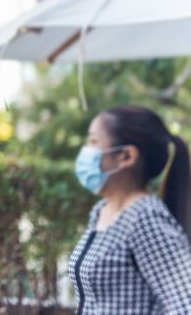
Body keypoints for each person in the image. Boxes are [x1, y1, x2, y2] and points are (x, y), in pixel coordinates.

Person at [70, 104, 191, 315]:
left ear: (126, 156)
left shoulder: (145, 217)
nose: (86, 151)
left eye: (93, 141)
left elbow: (185, 305)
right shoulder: (100, 211)